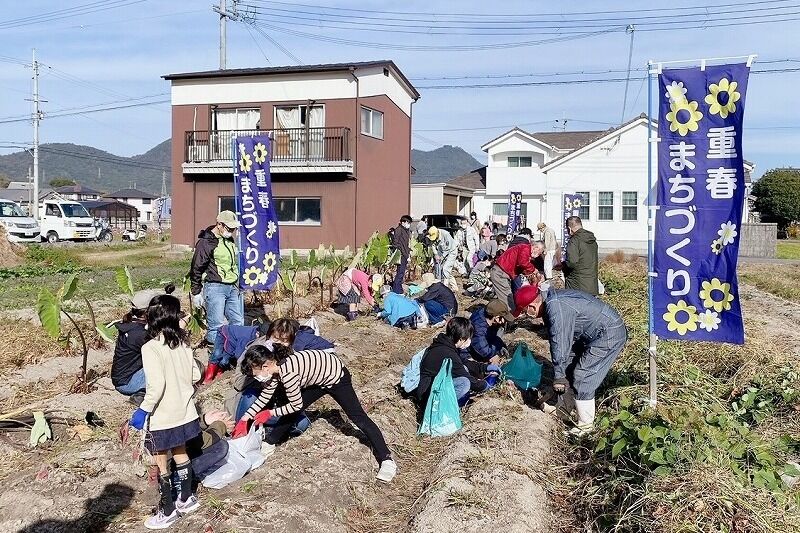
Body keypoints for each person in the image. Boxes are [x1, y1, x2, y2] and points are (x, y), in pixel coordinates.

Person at [236, 343, 398, 482]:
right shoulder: (274, 371)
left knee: (359, 418)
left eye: (255, 374)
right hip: (318, 379)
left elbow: (295, 405)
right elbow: (265, 396)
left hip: (336, 378)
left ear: (265, 366)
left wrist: (270, 414)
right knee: (291, 412)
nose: (256, 378)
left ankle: (386, 459)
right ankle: (270, 443)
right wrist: (245, 419)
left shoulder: (288, 374)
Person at [128, 294, 202, 530]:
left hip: (164, 415)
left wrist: (143, 410)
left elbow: (156, 386)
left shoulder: (151, 347)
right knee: (180, 452)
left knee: (161, 460)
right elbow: (196, 376)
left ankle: (168, 509)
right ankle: (186, 498)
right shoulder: (183, 343)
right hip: (185, 412)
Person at [514, 285, 626, 436]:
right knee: (569, 366)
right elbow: (566, 343)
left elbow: (559, 342)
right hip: (591, 333)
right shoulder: (551, 302)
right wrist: (563, 371)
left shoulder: (556, 308)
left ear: (532, 306)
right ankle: (564, 410)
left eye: (524, 311)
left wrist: (559, 376)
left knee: (583, 375)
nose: (525, 315)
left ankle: (585, 427)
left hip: (608, 333)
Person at [189, 210, 244, 350]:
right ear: (219, 224)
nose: (232, 231)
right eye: (229, 228)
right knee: (216, 325)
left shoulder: (228, 239)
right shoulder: (206, 242)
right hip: (215, 287)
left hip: (232, 287)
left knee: (237, 321)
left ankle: (235, 352)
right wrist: (196, 292)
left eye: (234, 228)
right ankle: (214, 358)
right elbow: (196, 267)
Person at [417, 318, 498, 410]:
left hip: (429, 388)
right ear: (461, 339)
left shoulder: (444, 345)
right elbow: (467, 378)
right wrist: (486, 385)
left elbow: (463, 363)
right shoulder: (448, 353)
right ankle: (443, 408)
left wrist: (485, 367)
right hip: (429, 397)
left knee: (464, 369)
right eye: (467, 338)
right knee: (464, 383)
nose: (469, 341)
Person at [112, 285, 173, 405]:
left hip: (123, 378)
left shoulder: (132, 325)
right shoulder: (139, 334)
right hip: (128, 383)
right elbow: (165, 350)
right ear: (148, 312)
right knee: (169, 367)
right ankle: (142, 394)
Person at [491, 231, 542, 312]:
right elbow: (522, 263)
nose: (538, 256)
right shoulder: (525, 248)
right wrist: (534, 270)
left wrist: (531, 275)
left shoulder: (525, 249)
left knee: (506, 296)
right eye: (539, 253)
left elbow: (521, 266)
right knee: (508, 297)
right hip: (500, 273)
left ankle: (505, 314)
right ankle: (511, 318)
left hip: (502, 273)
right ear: (536, 248)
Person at [468, 299, 514, 363]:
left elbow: (493, 337)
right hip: (470, 354)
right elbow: (484, 350)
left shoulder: (489, 317)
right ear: (497, 318)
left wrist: (501, 346)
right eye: (504, 319)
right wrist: (497, 353)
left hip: (484, 348)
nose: (504, 322)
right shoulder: (478, 327)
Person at [564, 216, 599, 296]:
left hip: (577, 284)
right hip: (591, 283)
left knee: (576, 307)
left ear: (569, 228)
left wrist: (563, 265)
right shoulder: (592, 240)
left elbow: (572, 262)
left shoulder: (574, 240)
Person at [427, 226, 458, 291]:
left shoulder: (446, 235)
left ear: (437, 233)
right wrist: (435, 254)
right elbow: (432, 245)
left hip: (451, 252)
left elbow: (448, 248)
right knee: (443, 270)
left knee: (445, 269)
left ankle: (444, 288)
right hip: (441, 252)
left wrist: (441, 257)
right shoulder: (432, 235)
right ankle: (454, 287)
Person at [392, 215, 413, 294]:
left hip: (405, 254)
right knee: (400, 273)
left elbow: (405, 243)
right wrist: (400, 252)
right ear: (403, 222)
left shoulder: (406, 230)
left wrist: (408, 251)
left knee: (402, 273)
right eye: (408, 222)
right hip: (401, 255)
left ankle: (399, 288)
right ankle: (396, 290)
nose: (409, 224)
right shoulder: (399, 230)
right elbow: (395, 243)